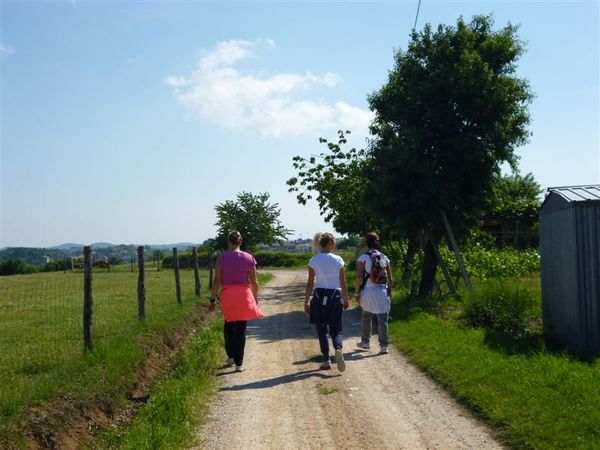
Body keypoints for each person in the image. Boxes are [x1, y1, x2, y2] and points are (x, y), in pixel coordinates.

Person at [210, 230, 264, 372]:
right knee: (241, 328)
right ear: (241, 242)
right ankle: (239, 363)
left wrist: (213, 298)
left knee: (229, 325)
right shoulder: (249, 258)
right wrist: (255, 298)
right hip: (244, 295)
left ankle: (230, 356)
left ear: (228, 242)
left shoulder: (221, 258)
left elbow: (217, 280)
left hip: (228, 295)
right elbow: (254, 282)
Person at [304, 232, 350, 371]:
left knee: (322, 329)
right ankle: (338, 348)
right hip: (335, 296)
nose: (334, 245)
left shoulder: (314, 260)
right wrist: (346, 299)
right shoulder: (338, 260)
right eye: (334, 243)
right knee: (336, 329)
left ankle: (326, 359)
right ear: (329, 244)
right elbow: (343, 282)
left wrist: (306, 301)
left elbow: (310, 283)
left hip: (319, 296)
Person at [354, 232, 393, 354]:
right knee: (383, 319)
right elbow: (390, 278)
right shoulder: (384, 257)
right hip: (382, 291)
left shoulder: (363, 258)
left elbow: (359, 276)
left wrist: (356, 293)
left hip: (368, 292)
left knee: (366, 316)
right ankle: (384, 346)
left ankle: (365, 342)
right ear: (377, 242)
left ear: (366, 243)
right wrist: (389, 291)